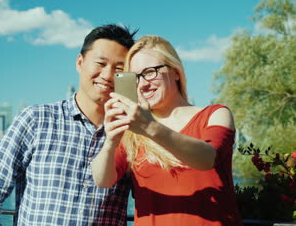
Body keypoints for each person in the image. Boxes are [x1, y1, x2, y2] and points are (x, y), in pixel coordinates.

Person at [0, 24, 137, 225]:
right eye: (100, 63)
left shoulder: (131, 134)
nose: (108, 75)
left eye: (119, 69)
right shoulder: (37, 119)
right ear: (80, 62)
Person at [92, 35, 242, 226]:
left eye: (150, 72)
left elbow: (207, 158)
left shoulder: (215, 114)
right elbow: (102, 180)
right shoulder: (132, 131)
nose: (143, 84)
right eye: (135, 77)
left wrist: (150, 127)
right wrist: (110, 142)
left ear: (176, 72)